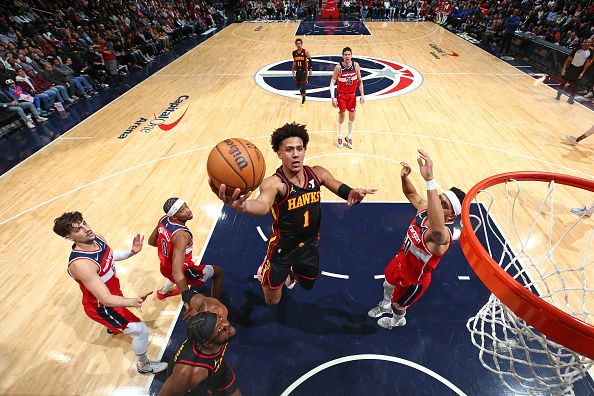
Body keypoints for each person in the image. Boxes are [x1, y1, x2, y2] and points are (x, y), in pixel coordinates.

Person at [209, 122, 376, 305]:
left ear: (305, 150)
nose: (295, 154)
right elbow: (263, 205)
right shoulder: (274, 183)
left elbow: (336, 184)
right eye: (289, 150)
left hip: (310, 244)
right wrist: (243, 206)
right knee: (272, 301)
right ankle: (265, 267)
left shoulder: (317, 173)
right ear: (279, 153)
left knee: (308, 284)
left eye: (299, 148)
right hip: (283, 247)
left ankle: (291, 274)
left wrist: (349, 192)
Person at [52, 211, 168, 374]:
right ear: (69, 238)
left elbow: (109, 255)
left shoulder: (96, 237)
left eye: (84, 223)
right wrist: (132, 301)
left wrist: (131, 252)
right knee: (141, 330)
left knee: (128, 321)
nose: (86, 229)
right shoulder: (81, 264)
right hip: (103, 307)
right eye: (77, 229)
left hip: (113, 294)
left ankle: (113, 327)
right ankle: (144, 365)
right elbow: (105, 299)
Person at [368, 150, 466, 329]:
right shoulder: (424, 209)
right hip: (399, 261)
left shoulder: (442, 236)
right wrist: (404, 178)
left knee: (399, 306)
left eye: (443, 204)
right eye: (439, 198)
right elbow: (412, 194)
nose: (436, 201)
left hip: (413, 280)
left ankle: (397, 321)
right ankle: (384, 304)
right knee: (387, 283)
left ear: (451, 217)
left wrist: (430, 181)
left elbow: (436, 230)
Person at [158, 289, 240, 395]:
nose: (226, 324)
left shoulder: (215, 308)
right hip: (193, 383)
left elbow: (186, 294)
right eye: (219, 329)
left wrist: (190, 306)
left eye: (219, 319)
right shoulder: (189, 375)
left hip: (217, 367)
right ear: (208, 344)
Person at [148, 198, 224, 299]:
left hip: (165, 267)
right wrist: (187, 299)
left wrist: (171, 249)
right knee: (218, 272)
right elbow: (177, 272)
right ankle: (215, 303)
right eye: (182, 210)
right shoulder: (182, 236)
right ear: (174, 217)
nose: (188, 210)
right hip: (184, 271)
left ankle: (162, 293)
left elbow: (151, 242)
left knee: (174, 267)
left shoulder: (164, 219)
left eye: (186, 206)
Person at [330, 47, 365, 149]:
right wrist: (333, 98)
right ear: (342, 56)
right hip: (341, 95)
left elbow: (360, 81)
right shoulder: (338, 67)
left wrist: (362, 94)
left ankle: (349, 136)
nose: (347, 56)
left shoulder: (356, 65)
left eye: (349, 54)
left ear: (351, 55)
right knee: (341, 116)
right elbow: (332, 83)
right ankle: (340, 136)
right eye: (345, 54)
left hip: (352, 95)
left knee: (352, 116)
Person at [556, 38, 593, 104]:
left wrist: (582, 72)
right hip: (571, 68)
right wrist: (564, 68)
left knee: (575, 86)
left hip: (579, 70)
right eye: (586, 42)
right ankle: (558, 96)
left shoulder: (590, 52)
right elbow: (568, 60)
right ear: (584, 42)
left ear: (591, 44)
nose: (587, 43)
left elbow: (587, 63)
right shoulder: (577, 49)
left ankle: (570, 100)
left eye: (589, 43)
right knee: (564, 82)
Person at [292, 38, 312, 107]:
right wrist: (292, 70)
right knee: (298, 85)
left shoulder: (305, 51)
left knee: (303, 85)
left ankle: (303, 100)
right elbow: (294, 62)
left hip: (304, 71)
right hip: (298, 71)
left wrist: (310, 69)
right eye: (297, 44)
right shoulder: (294, 53)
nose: (299, 45)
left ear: (302, 44)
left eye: (300, 43)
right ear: (295, 45)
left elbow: (310, 60)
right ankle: (303, 95)